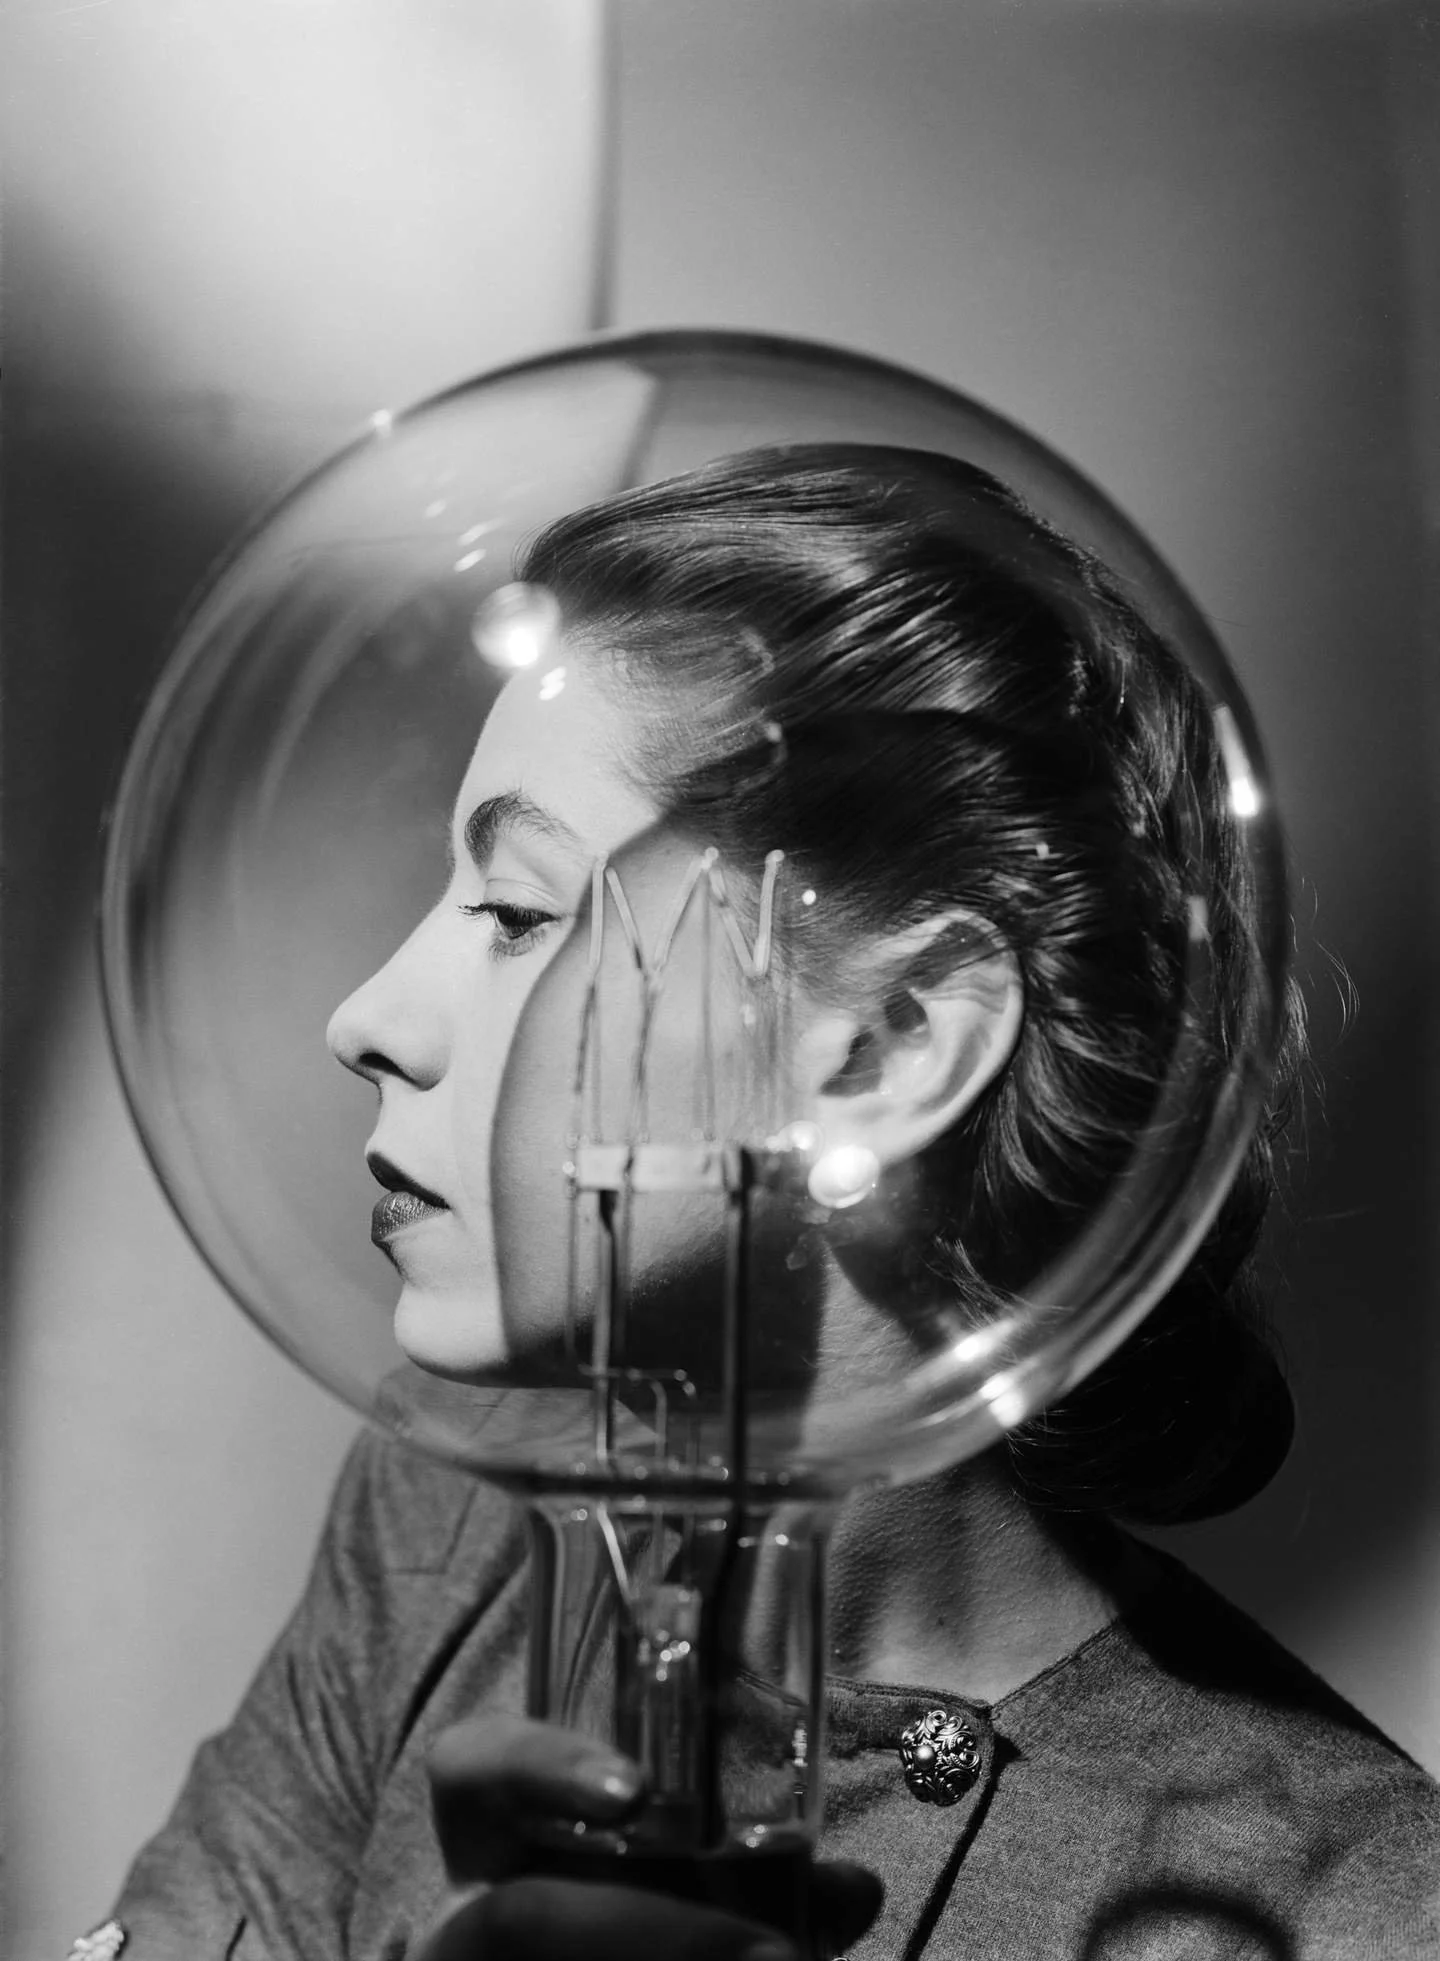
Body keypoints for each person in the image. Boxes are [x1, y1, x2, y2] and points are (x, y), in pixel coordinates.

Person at [98, 448, 1439, 1961]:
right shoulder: (442, 1525)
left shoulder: (1351, 1906)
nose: (370, 1014)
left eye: (520, 913)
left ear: (888, 1050)